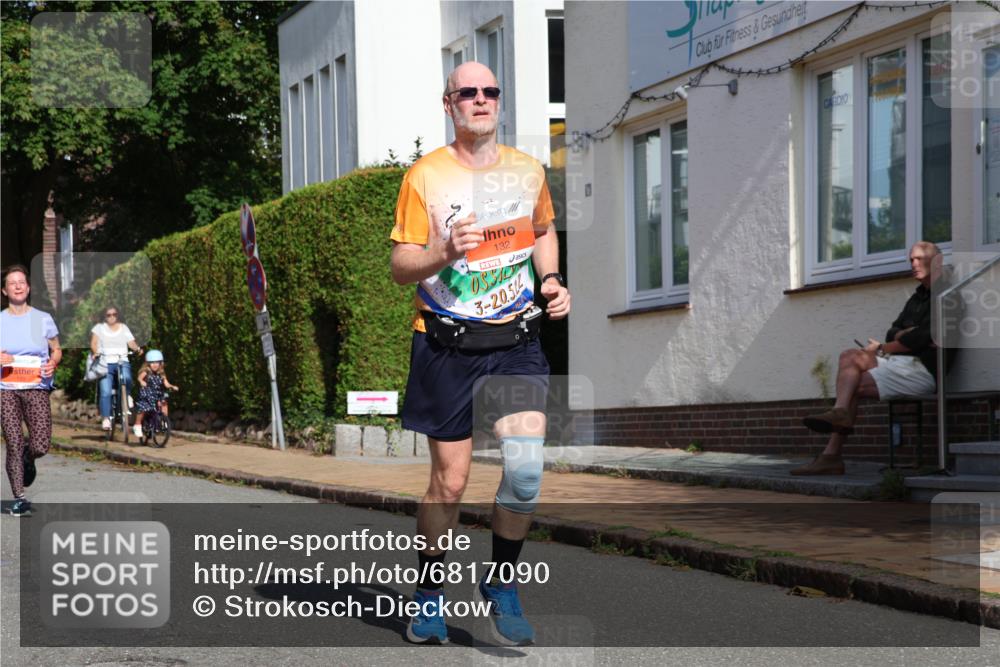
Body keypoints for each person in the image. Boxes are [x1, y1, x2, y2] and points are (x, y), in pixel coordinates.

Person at [390, 61, 570, 646]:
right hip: (446, 343)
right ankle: (430, 594)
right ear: (450, 105)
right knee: (450, 483)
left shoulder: (527, 170)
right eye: (468, 92)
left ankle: (502, 584)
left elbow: (543, 230)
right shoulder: (425, 177)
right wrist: (441, 251)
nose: (481, 99)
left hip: (515, 341)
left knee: (524, 473)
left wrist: (551, 281)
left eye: (490, 91)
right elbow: (399, 267)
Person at [794, 241, 952, 475]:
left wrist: (891, 344)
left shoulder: (948, 295)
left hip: (925, 371)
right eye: (911, 260)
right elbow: (894, 331)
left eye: (919, 259)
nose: (913, 264)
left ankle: (832, 451)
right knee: (849, 357)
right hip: (903, 363)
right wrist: (904, 337)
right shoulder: (917, 298)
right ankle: (836, 434)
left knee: (853, 379)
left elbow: (925, 336)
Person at [0, 265, 62, 516]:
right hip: (6, 389)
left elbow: (56, 349)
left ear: (28, 287)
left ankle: (30, 456)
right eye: (12, 282)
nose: (17, 285)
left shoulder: (42, 319)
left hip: (36, 387)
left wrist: (53, 362)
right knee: (13, 443)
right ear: (4, 290)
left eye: (21, 282)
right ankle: (19, 497)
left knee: (40, 444)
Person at [90, 305, 142, 430]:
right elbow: (94, 343)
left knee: (128, 378)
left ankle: (127, 395)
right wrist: (96, 352)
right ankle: (106, 418)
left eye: (114, 314)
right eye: (109, 315)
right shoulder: (99, 328)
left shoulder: (124, 328)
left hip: (121, 360)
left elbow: (131, 342)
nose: (112, 317)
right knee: (106, 391)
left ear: (118, 315)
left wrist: (137, 349)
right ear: (105, 316)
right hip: (105, 362)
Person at [132, 349, 178, 438]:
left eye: (157, 363)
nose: (155, 365)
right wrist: (141, 382)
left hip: (157, 393)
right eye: (152, 363)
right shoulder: (146, 371)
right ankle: (137, 425)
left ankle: (163, 420)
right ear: (148, 364)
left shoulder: (161, 373)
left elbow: (166, 384)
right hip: (147, 393)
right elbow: (139, 378)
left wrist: (172, 386)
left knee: (164, 402)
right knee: (143, 407)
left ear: (161, 363)